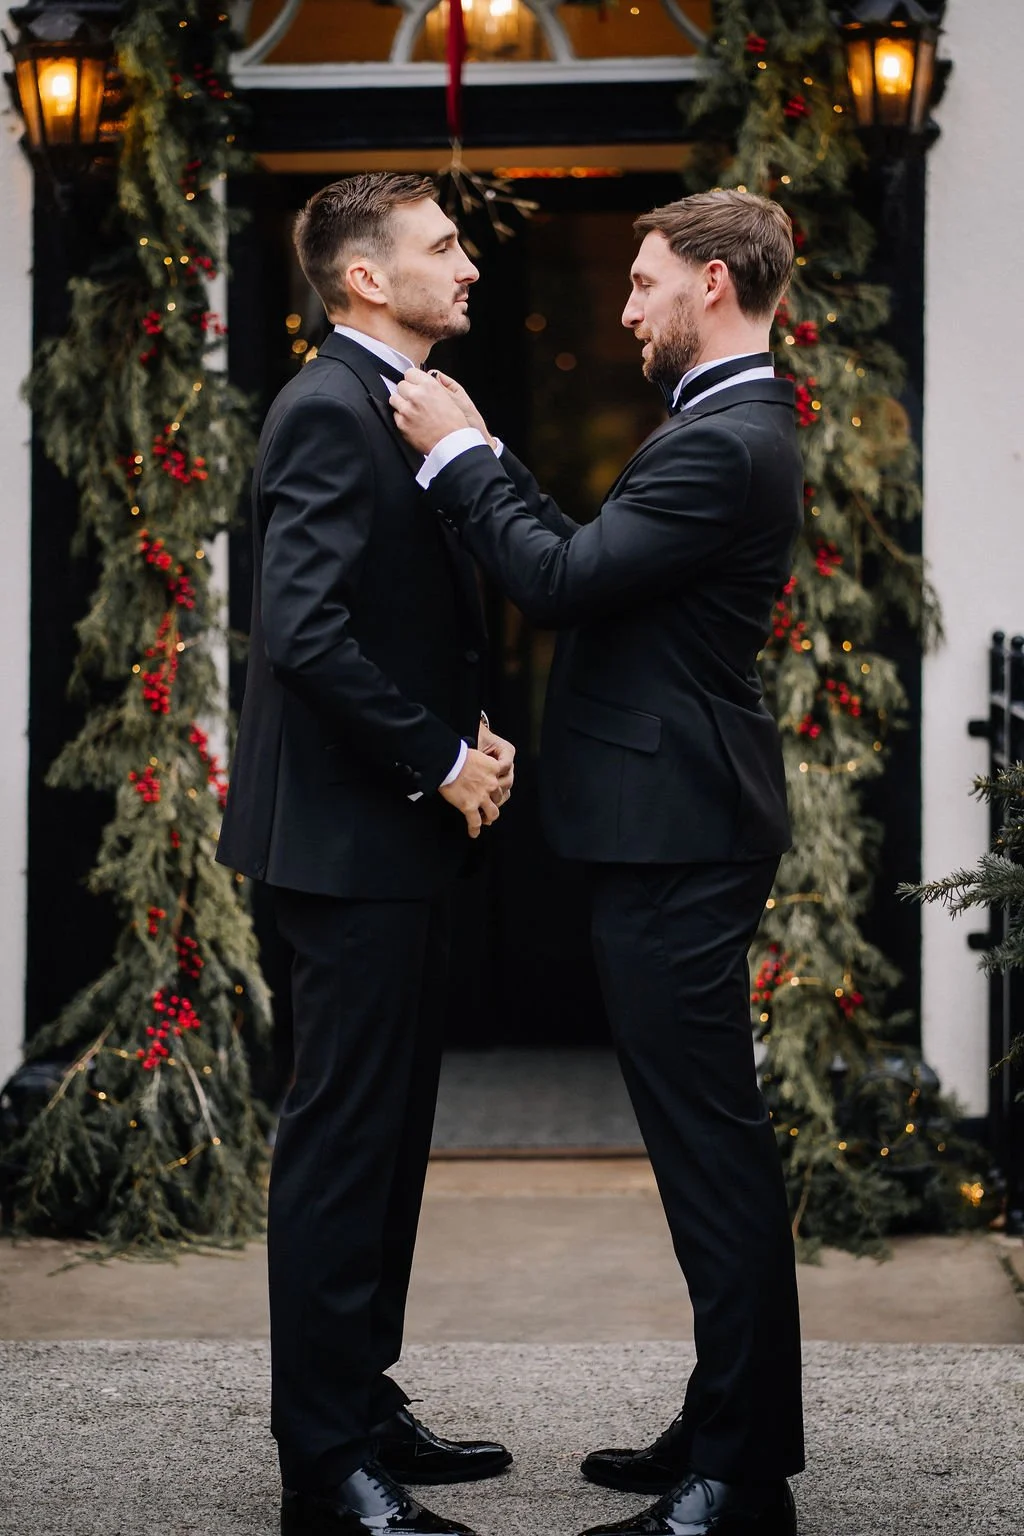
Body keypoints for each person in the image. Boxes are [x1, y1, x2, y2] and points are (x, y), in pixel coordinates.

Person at [391, 189, 806, 1536]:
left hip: (680, 833)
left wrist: (463, 456)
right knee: (705, 1148)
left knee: (710, 1155)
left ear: (715, 283)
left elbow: (561, 583)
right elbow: (598, 565)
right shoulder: (722, 423)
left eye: (644, 282)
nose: (625, 308)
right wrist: (490, 457)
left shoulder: (726, 438)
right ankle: (723, 1421)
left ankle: (738, 1479)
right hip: (673, 826)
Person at [217, 172, 516, 1536]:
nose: (469, 263)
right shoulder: (329, 409)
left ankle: (362, 1397)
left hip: (394, 841)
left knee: (389, 1142)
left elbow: (396, 615)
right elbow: (306, 633)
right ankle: (325, 1466)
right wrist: (441, 759)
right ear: (365, 279)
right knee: (343, 1148)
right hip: (346, 847)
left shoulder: (400, 402)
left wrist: (460, 736)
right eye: (443, 246)